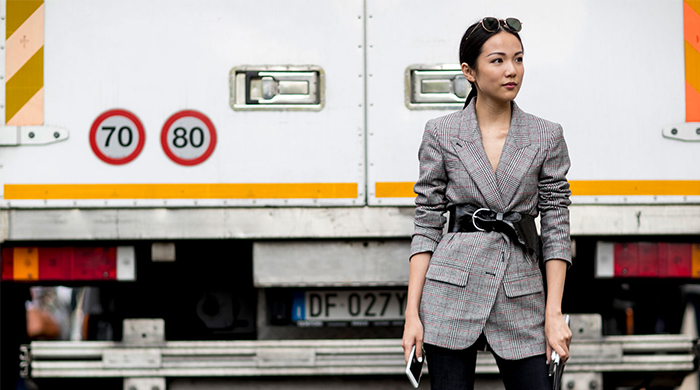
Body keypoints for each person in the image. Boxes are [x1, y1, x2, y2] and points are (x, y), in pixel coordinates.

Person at [401, 17, 573, 389]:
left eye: (519, 59)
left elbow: (557, 228)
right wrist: (411, 313)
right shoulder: (442, 132)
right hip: (449, 291)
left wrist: (554, 313)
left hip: (521, 293)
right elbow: (427, 223)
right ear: (470, 71)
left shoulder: (546, 135)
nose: (512, 70)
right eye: (497, 60)